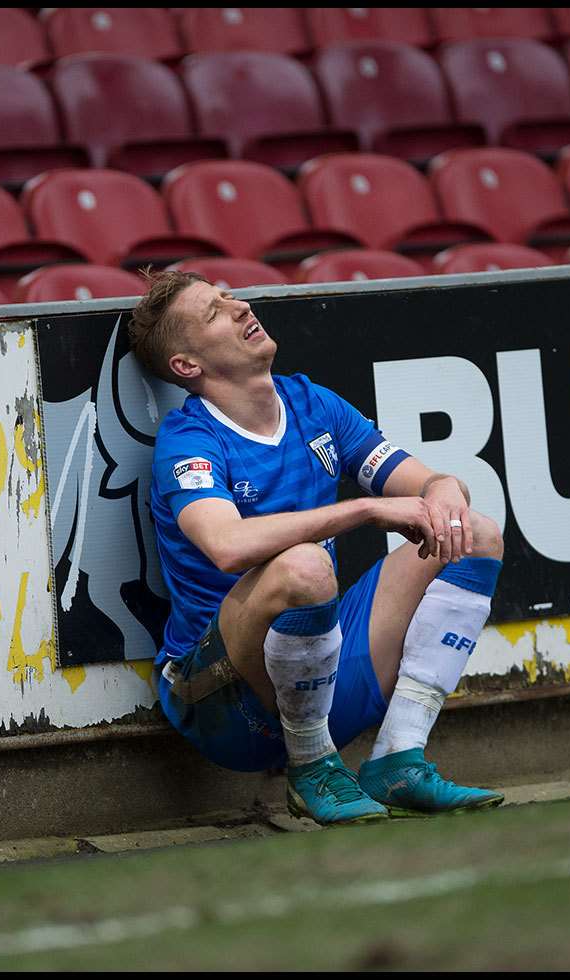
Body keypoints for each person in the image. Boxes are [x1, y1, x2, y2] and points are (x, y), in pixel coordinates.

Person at [130, 269, 506, 826]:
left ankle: (399, 758)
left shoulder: (312, 405)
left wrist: (444, 488)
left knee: (475, 534)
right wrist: (365, 509)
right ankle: (310, 769)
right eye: (213, 313)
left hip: (318, 679)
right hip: (225, 704)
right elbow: (227, 546)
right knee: (306, 568)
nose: (238, 308)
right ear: (187, 366)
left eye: (229, 296)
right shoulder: (188, 439)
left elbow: (425, 485)